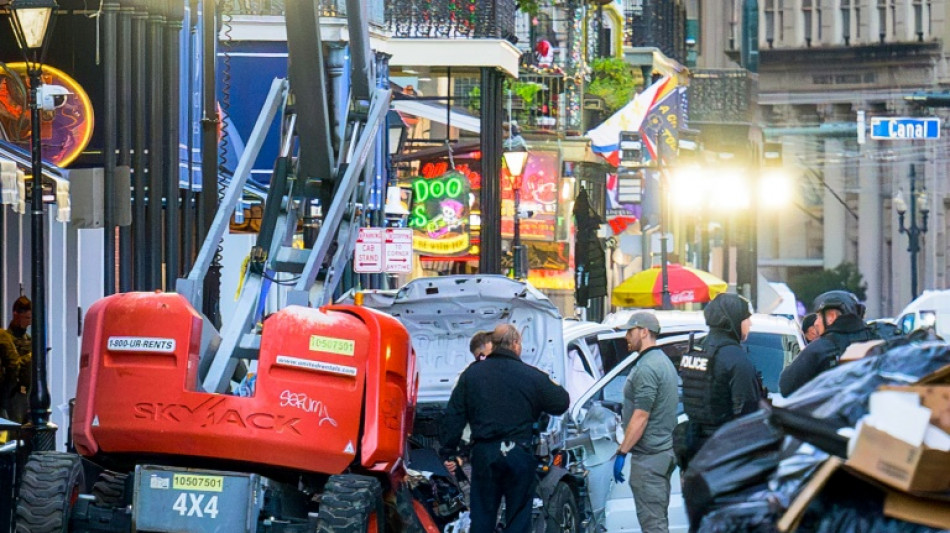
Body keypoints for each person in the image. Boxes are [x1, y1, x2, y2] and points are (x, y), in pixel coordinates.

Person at [440, 324, 569, 533]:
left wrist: (449, 451)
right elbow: (561, 402)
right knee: (518, 516)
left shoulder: (471, 375)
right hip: (519, 453)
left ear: (494, 344)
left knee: (482, 517)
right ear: (516, 344)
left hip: (485, 455)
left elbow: (454, 415)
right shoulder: (531, 375)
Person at [679, 293, 764, 469]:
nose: (750, 324)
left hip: (695, 448)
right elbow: (748, 413)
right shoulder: (736, 359)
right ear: (734, 319)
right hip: (726, 453)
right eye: (747, 318)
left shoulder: (698, 349)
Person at [613, 312, 678, 533]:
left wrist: (622, 452)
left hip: (650, 458)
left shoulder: (647, 368)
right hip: (661, 453)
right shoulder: (662, 361)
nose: (627, 337)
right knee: (658, 520)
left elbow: (641, 416)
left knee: (654, 526)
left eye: (630, 332)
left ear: (644, 332)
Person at [779, 290, 875, 397]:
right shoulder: (878, 340)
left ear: (831, 316)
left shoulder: (819, 350)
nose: (816, 323)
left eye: (819, 316)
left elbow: (786, 386)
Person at [2, 296, 31, 423]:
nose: (29, 322)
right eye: (26, 318)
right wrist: (29, 358)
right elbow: (13, 365)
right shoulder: (5, 338)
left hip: (26, 393)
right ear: (16, 314)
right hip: (10, 393)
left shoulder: (29, 340)